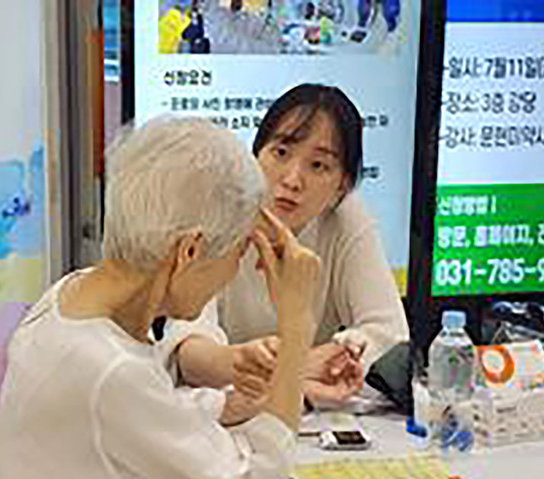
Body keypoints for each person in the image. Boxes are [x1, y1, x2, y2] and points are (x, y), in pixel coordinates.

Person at [0, 117, 321, 479]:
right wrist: (297, 323)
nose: (232, 274)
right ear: (190, 251)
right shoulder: (108, 371)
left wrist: (226, 405)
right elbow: (257, 477)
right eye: (239, 253)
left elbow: (133, 418)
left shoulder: (71, 296)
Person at [173, 84, 409, 412]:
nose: (293, 180)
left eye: (318, 165)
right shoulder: (217, 212)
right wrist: (290, 370)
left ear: (342, 185)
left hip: (304, 414)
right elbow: (188, 353)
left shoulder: (345, 218)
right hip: (222, 411)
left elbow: (390, 335)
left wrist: (304, 374)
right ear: (256, 154)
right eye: (281, 153)